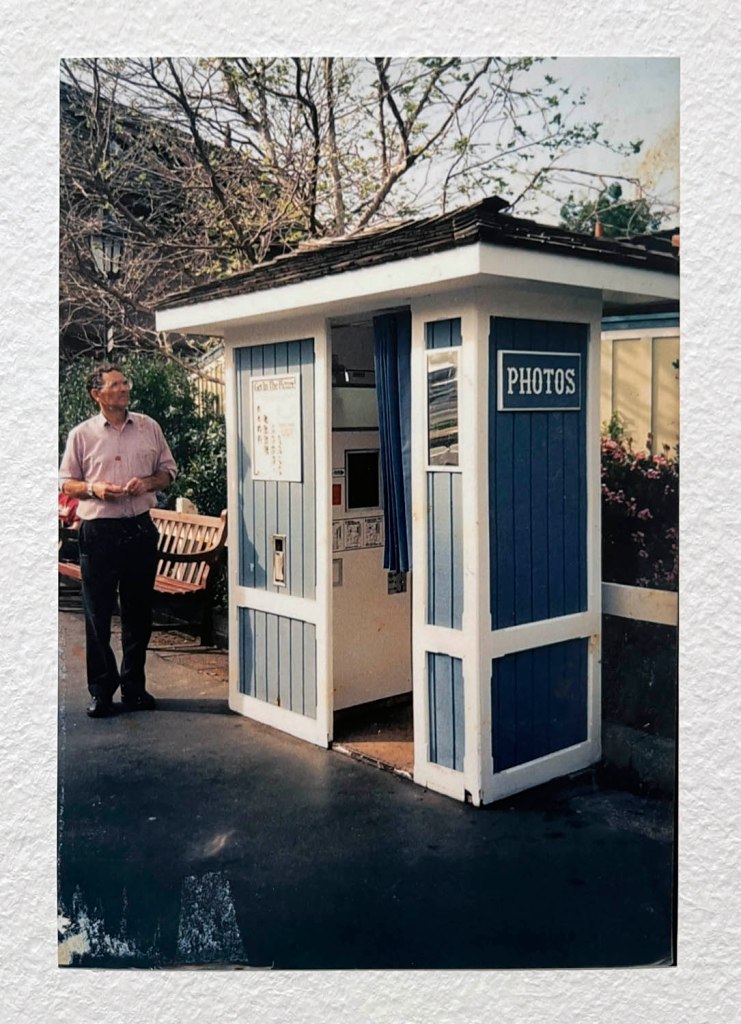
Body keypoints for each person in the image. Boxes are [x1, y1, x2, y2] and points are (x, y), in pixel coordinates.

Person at [59, 365, 177, 718]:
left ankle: (134, 689)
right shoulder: (82, 434)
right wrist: (96, 489)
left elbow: (169, 471)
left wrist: (149, 483)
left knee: (138, 614)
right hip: (99, 533)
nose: (124, 388)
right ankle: (101, 691)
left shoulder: (148, 426)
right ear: (97, 394)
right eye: (115, 384)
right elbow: (66, 482)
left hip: (139, 528)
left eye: (125, 382)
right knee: (98, 614)